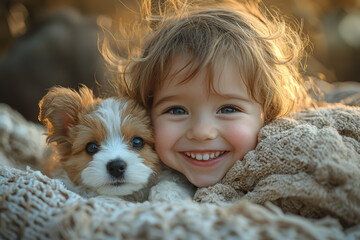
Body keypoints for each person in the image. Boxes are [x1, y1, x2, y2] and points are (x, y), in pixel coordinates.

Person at [102, 0, 314, 188]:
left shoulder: (292, 171)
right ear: (146, 113)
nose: (202, 132)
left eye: (228, 109)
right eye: (176, 110)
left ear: (269, 112)